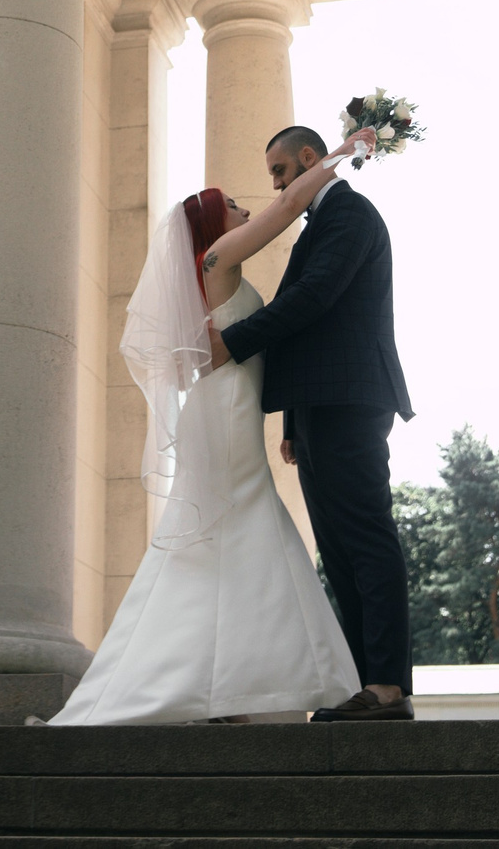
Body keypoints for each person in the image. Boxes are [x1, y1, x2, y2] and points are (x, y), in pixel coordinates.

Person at [48, 140, 369, 725]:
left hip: (232, 406)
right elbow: (290, 205)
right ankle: (236, 682)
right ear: (213, 223)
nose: (248, 210)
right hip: (225, 412)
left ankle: (225, 684)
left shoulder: (214, 268)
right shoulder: (218, 259)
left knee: (228, 530)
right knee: (238, 521)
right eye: (234, 205)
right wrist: (343, 150)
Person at [208, 124, 414, 722]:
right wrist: (294, 421)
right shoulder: (316, 226)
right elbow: (312, 326)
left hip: (352, 401)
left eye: (278, 171)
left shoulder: (348, 213)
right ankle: (362, 683)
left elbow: (315, 298)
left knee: (367, 537)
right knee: (338, 548)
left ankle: (388, 688)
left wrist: (233, 342)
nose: (274, 185)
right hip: (322, 405)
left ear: (307, 158)